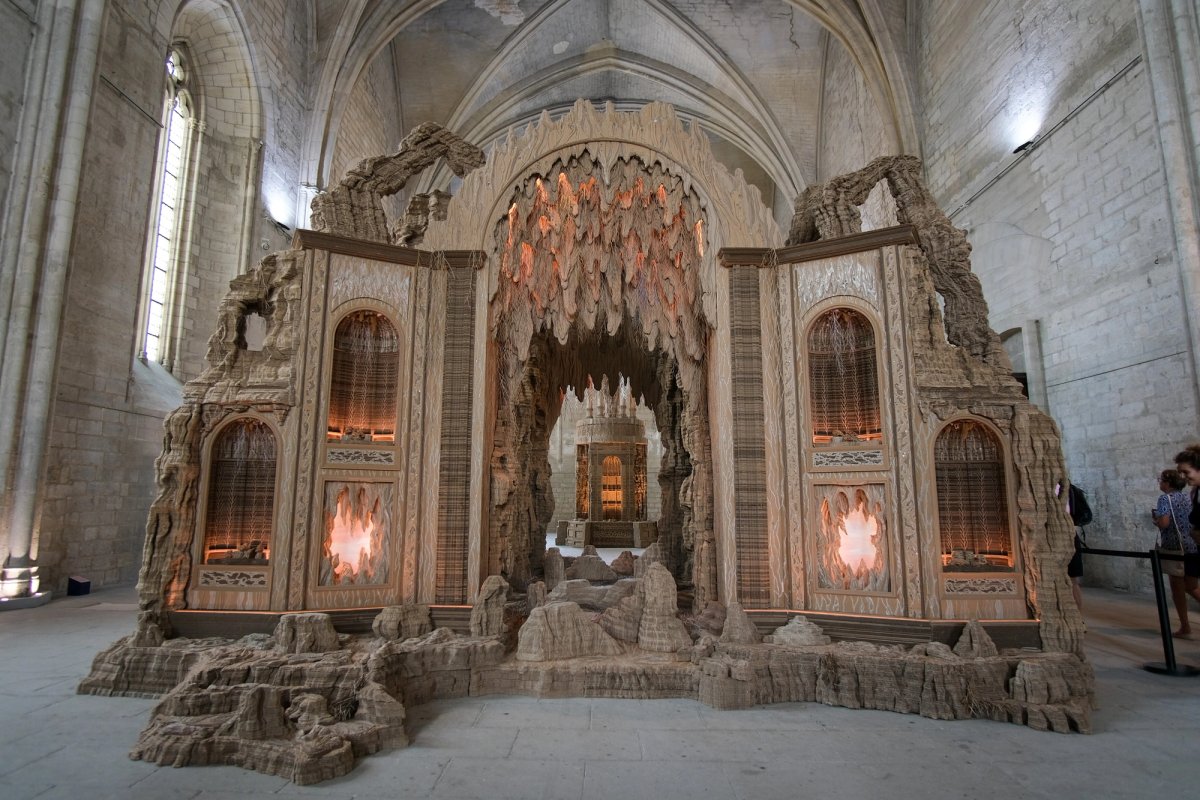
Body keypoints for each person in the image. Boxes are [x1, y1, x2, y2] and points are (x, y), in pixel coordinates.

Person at [1153, 468, 1199, 637]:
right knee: (1192, 586)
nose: (1159, 482)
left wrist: (1156, 521)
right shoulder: (1187, 497)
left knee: (1178, 588)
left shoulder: (1165, 499)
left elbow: (1164, 523)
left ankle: (1185, 626)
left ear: (1168, 483)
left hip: (1175, 547)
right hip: (1192, 545)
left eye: (1161, 480)